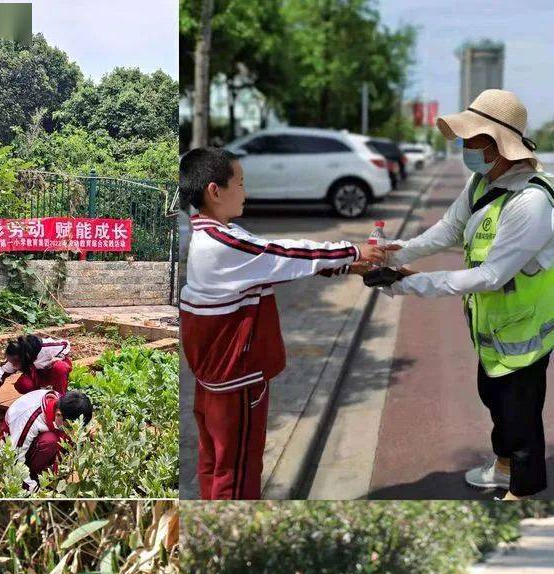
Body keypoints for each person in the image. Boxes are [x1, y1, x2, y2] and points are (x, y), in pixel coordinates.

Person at [179, 146, 386, 499]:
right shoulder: (223, 243)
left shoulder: (212, 235)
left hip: (214, 382)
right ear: (215, 191)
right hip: (237, 383)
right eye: (240, 183)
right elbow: (282, 253)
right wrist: (352, 252)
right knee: (239, 472)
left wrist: (345, 267)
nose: (246, 191)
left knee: (214, 463)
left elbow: (273, 267)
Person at [378, 90, 554, 500]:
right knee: (492, 398)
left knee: (521, 420)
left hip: (525, 334)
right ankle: (503, 467)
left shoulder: (530, 203)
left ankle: (522, 492)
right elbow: (447, 230)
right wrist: (394, 254)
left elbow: (492, 276)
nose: (464, 147)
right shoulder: (482, 181)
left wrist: (409, 282)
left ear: (496, 145)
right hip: (493, 327)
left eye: (472, 139)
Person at [2, 387, 92, 490]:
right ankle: (34, 475)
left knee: (67, 438)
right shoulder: (30, 420)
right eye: (70, 427)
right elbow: (13, 460)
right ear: (59, 415)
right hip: (14, 443)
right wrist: (34, 490)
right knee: (50, 441)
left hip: (39, 435)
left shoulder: (62, 406)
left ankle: (48, 471)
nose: (73, 431)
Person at [0, 334, 72, 397]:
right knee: (23, 385)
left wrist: (59, 357)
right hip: (38, 374)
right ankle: (37, 399)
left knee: (60, 367)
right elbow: (4, 370)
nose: (14, 366)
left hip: (53, 371)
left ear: (25, 357)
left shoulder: (45, 347)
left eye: (15, 363)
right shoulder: (17, 355)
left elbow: (66, 344)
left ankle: (60, 398)